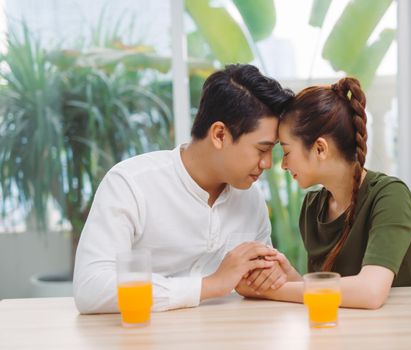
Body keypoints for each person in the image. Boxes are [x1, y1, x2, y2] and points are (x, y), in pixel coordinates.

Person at [73, 64, 294, 313]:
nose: (267, 163)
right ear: (220, 135)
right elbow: (90, 288)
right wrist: (209, 285)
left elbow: (260, 281)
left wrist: (266, 277)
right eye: (261, 149)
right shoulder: (130, 184)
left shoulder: (250, 198)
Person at [236, 77, 411, 309]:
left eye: (286, 152)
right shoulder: (312, 208)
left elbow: (369, 293)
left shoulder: (390, 197)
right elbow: (331, 294)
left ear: (320, 148)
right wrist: (290, 275)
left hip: (404, 332)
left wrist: (271, 291)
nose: (284, 165)